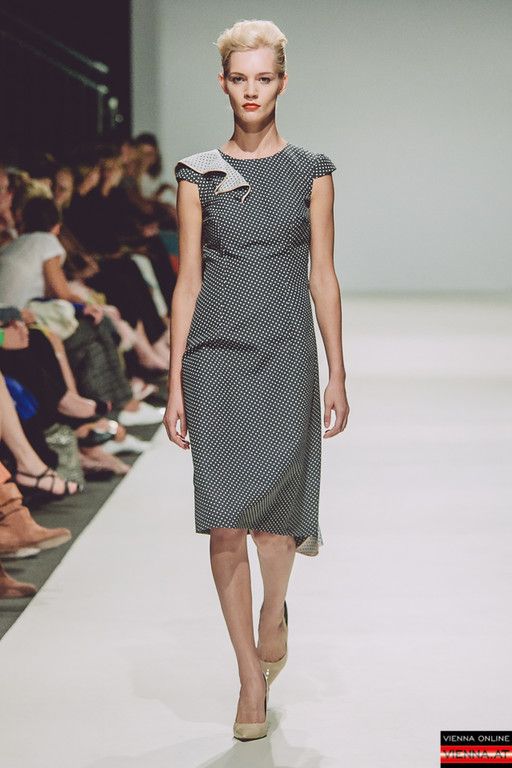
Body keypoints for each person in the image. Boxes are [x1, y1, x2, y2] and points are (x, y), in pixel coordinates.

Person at [163, 19, 350, 741]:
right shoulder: (196, 173)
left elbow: (322, 275)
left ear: (282, 82)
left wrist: (338, 371)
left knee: (275, 525)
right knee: (224, 520)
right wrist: (175, 383)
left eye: (263, 78)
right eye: (239, 78)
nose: (251, 90)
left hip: (285, 353)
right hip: (214, 357)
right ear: (223, 83)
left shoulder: (312, 170)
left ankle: (274, 613)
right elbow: (187, 280)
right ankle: (248, 676)